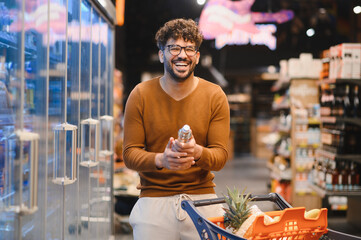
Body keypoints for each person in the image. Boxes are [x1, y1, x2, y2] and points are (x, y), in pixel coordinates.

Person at [122, 18, 230, 240]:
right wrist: (162, 160)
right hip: (153, 201)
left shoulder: (215, 95)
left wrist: (197, 152)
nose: (182, 54)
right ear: (162, 54)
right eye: (174, 47)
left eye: (190, 48)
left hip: (202, 199)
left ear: (197, 57)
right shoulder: (140, 95)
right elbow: (129, 155)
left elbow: (220, 157)